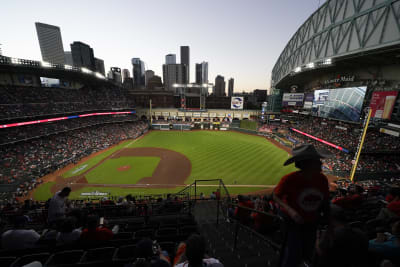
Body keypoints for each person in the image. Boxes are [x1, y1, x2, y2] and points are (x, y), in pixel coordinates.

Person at [273, 144, 331, 267]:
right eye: (317, 161)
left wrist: (328, 221)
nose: (321, 163)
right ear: (307, 163)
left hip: (312, 223)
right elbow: (275, 196)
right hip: (292, 223)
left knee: (308, 253)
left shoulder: (323, 179)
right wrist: (291, 211)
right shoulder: (289, 179)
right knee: (292, 255)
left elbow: (325, 202)